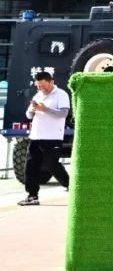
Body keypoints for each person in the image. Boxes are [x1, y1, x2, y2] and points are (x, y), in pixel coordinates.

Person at [17, 71, 71, 207]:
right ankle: (32, 196)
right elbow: (28, 116)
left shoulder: (61, 94)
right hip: (35, 136)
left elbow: (63, 114)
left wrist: (45, 109)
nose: (41, 88)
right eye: (38, 86)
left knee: (51, 164)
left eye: (43, 86)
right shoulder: (38, 95)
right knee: (31, 166)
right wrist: (32, 110)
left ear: (51, 81)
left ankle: (70, 184)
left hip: (53, 137)